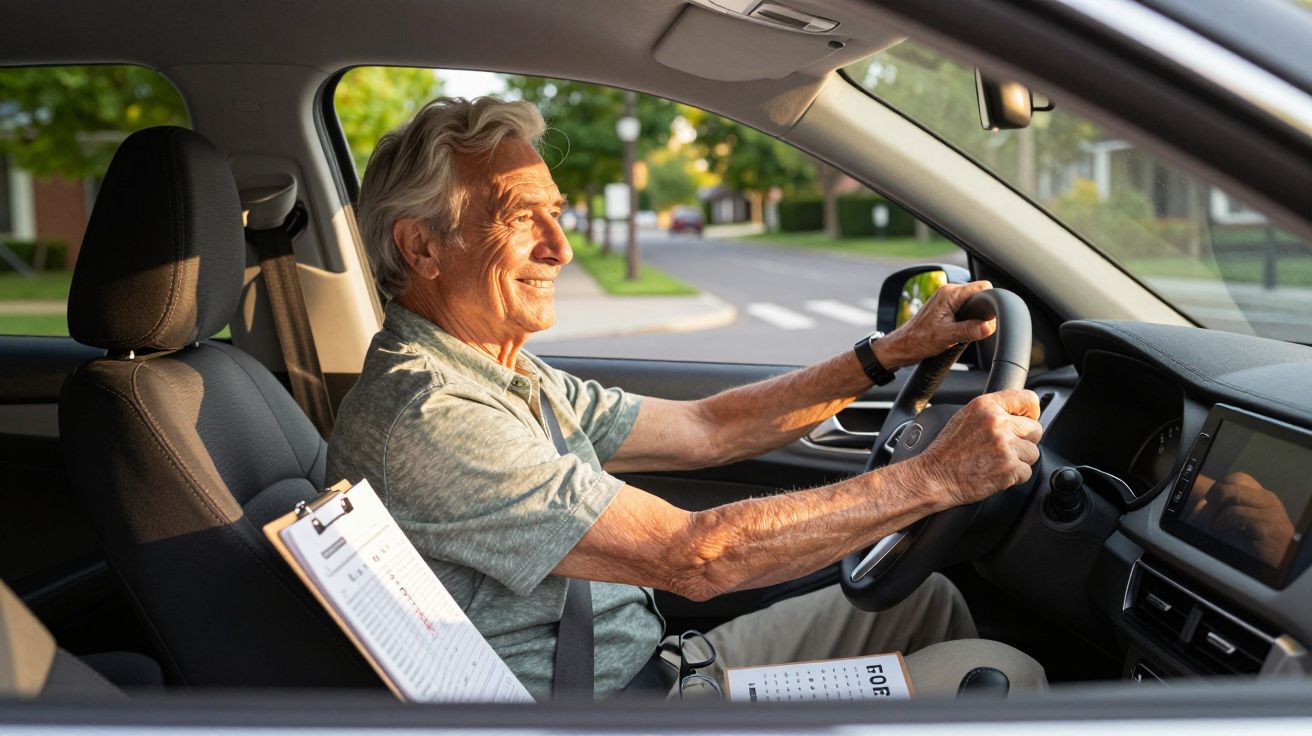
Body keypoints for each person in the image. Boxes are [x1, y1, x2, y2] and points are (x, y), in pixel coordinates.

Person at [328, 96, 1046, 701]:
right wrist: (936, 477)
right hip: (625, 710)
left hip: (666, 666)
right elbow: (693, 558)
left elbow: (709, 428)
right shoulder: (434, 415)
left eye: (557, 213)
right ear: (421, 248)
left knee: (927, 601)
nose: (561, 247)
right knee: (1007, 674)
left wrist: (887, 354)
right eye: (521, 217)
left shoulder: (505, 374)